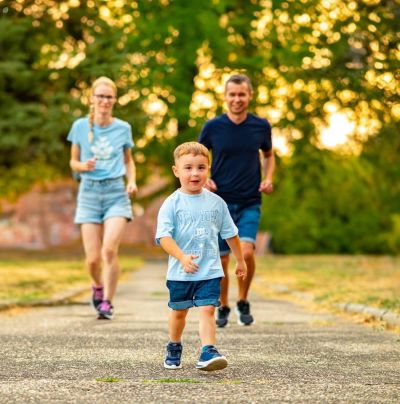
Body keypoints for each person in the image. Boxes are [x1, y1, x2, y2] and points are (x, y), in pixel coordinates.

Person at [156, 142, 247, 371]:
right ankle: (174, 345)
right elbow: (164, 238)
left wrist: (241, 259)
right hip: (180, 272)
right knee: (179, 313)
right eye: (188, 168)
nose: (194, 173)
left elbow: (231, 234)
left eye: (200, 167)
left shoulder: (217, 203)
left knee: (208, 308)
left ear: (208, 170)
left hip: (210, 270)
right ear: (176, 171)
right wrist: (181, 257)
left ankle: (208, 350)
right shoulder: (171, 204)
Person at [198, 73, 275, 327]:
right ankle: (224, 305)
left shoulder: (261, 126)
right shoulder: (213, 127)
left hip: (249, 200)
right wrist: (204, 177)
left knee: (247, 252)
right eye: (232, 94)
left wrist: (268, 177)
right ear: (225, 96)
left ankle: (243, 299)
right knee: (221, 259)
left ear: (250, 95)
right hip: (220, 203)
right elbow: (198, 155)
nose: (237, 99)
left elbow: (269, 155)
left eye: (242, 94)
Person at [67, 76, 138, 320]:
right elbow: (73, 162)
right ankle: (97, 286)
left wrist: (132, 181)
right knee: (92, 259)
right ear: (92, 98)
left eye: (109, 96)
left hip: (116, 193)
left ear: (114, 100)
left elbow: (129, 161)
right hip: (88, 193)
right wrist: (83, 166)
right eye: (100, 96)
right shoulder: (79, 127)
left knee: (109, 251)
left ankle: (107, 301)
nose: (104, 100)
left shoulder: (123, 128)